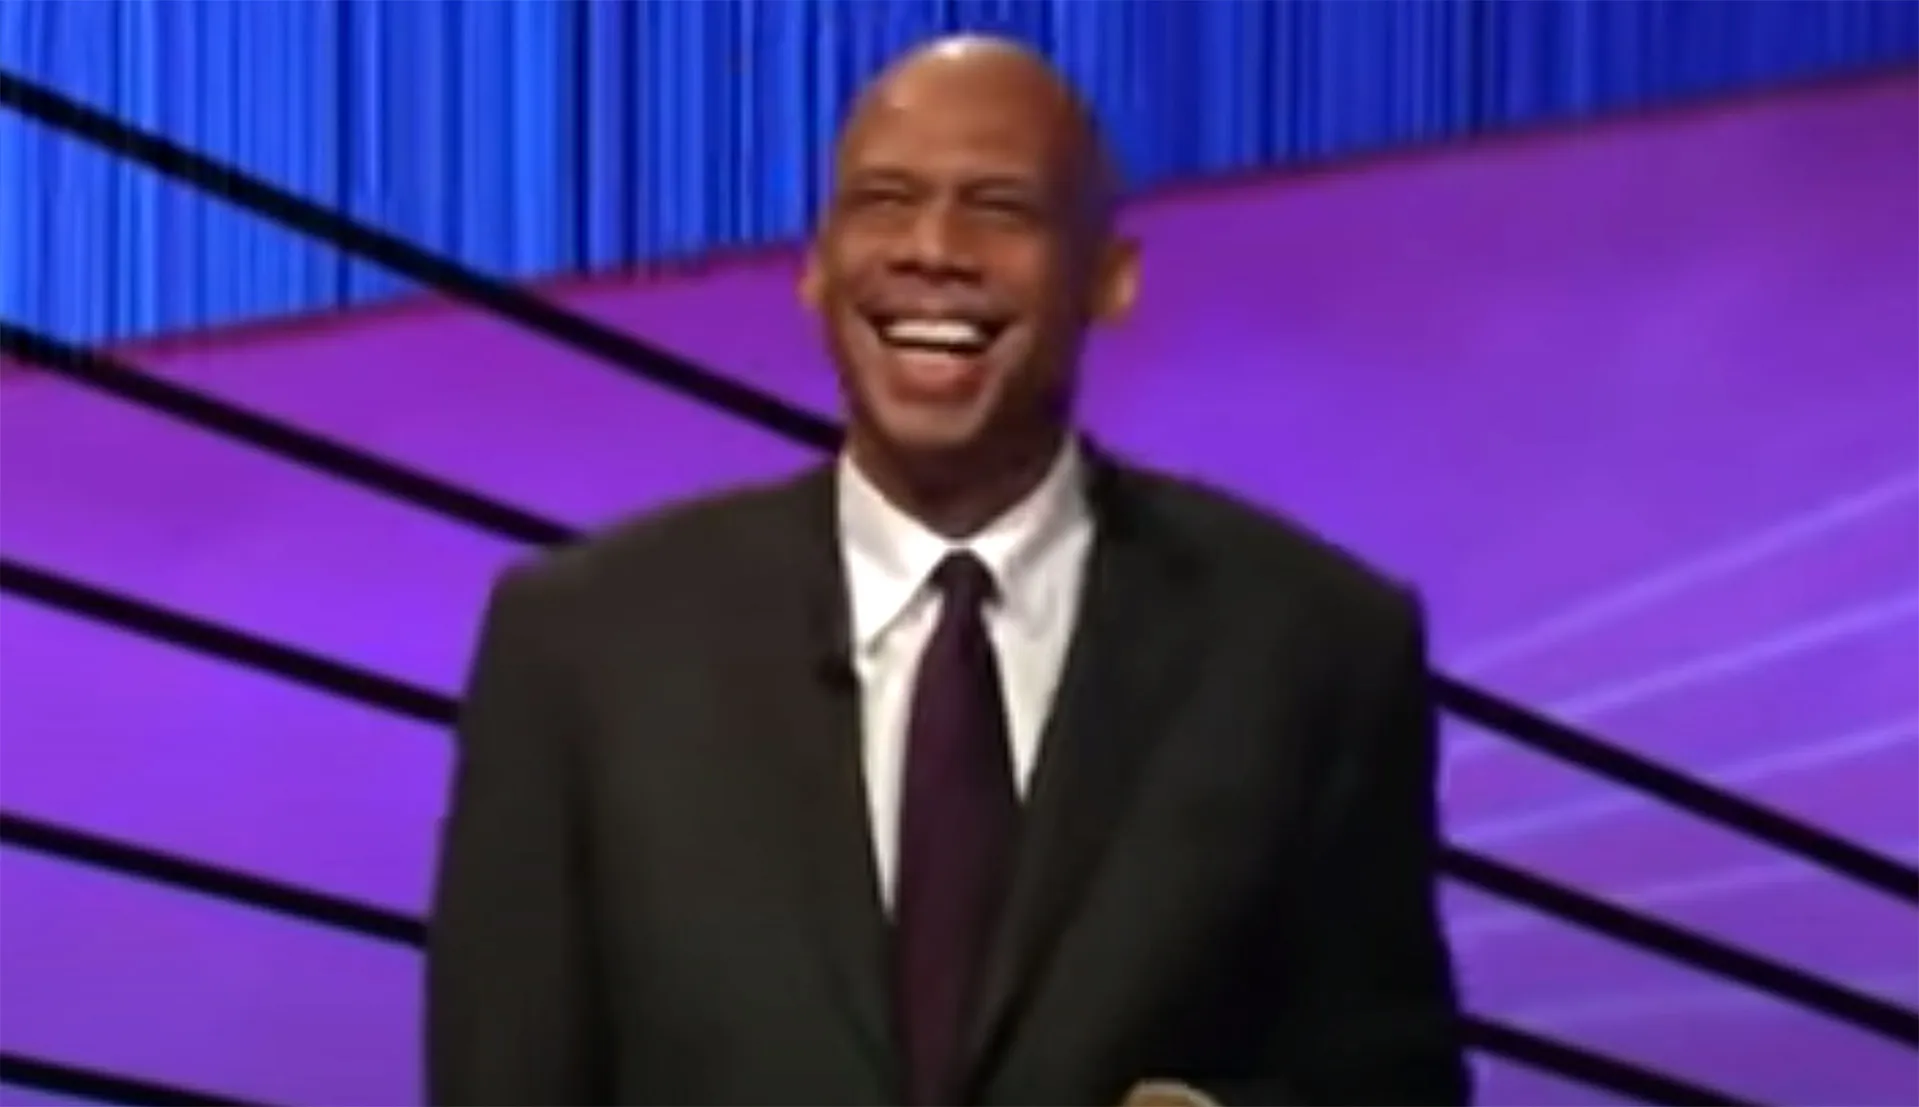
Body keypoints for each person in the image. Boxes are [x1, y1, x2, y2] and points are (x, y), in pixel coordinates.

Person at [426, 34, 1470, 1107]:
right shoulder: (584, 648)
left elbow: (1390, 1085)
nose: (932, 248)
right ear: (814, 268)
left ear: (1108, 279)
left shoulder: (1311, 649)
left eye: (999, 208)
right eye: (884, 201)